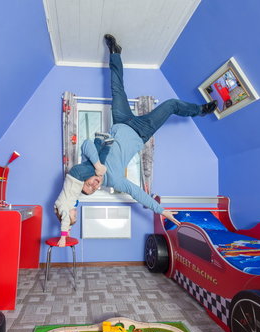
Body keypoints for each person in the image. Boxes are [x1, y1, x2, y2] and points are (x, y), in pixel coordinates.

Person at [79, 34, 217, 226]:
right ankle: (201, 110)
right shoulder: (115, 181)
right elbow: (137, 193)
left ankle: (115, 53)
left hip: (121, 120)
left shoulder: (89, 164)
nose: (94, 185)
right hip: (141, 131)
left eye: (88, 184)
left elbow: (86, 144)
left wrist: (96, 164)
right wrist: (162, 211)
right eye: (93, 189)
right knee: (171, 105)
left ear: (85, 179)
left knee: (116, 88)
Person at [53, 134, 113, 246]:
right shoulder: (68, 205)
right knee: (96, 163)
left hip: (77, 176)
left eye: (74, 216)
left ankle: (103, 143)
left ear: (65, 215)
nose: (76, 213)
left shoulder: (63, 207)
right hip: (76, 174)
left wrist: (63, 237)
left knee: (98, 169)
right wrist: (69, 230)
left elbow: (65, 220)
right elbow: (67, 221)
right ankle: (102, 141)